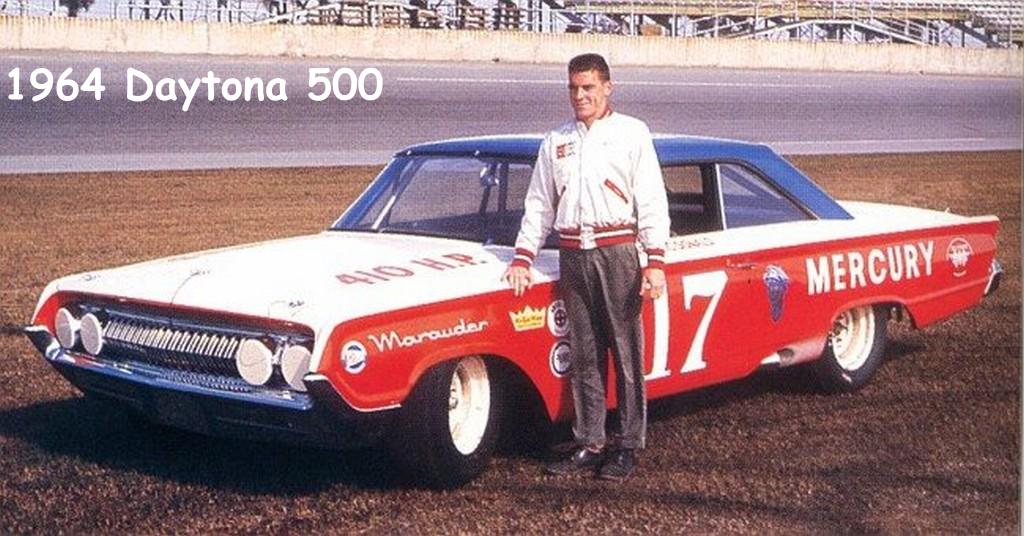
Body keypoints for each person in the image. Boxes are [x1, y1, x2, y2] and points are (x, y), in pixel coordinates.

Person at [502, 53, 670, 481]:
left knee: (626, 352)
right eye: (574, 88)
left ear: (607, 88)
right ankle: (590, 441)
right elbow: (539, 203)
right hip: (573, 255)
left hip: (619, 254)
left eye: (588, 88)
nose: (580, 96)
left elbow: (651, 198)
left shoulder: (632, 133)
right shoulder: (556, 139)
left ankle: (628, 445)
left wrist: (655, 260)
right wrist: (523, 255)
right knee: (585, 355)